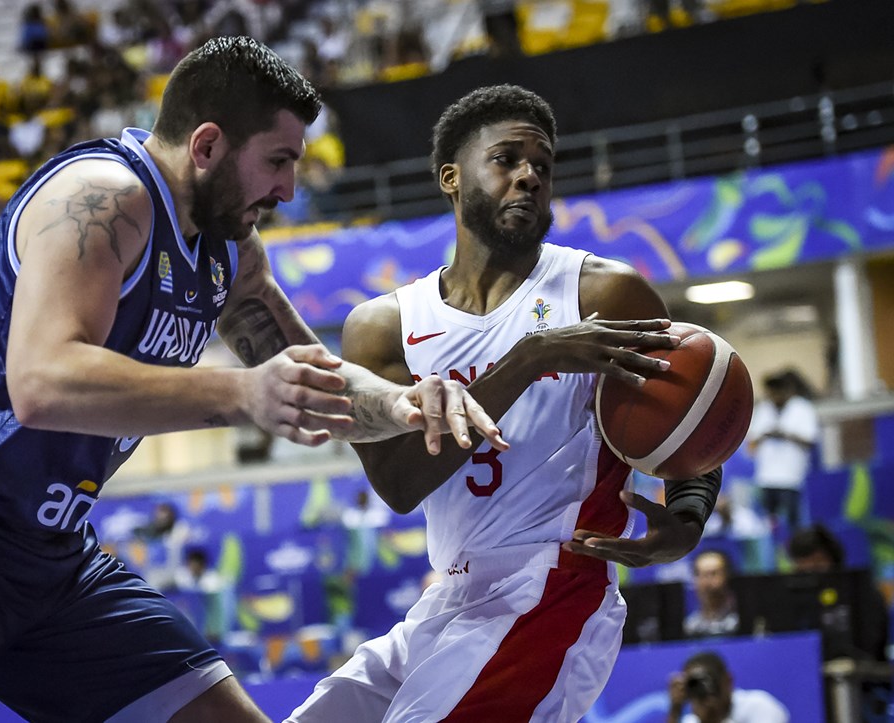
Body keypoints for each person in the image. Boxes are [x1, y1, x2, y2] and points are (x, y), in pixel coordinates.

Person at [0, 36, 507, 723]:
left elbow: (309, 376)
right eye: (278, 162)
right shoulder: (106, 199)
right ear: (208, 145)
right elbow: (40, 381)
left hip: (48, 557)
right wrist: (244, 393)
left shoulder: (228, 247)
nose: (288, 189)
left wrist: (406, 401)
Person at [286, 84, 723, 723]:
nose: (528, 177)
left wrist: (688, 518)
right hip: (451, 596)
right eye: (507, 159)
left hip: (557, 586)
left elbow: (697, 408)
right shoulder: (382, 326)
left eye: (541, 167)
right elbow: (400, 484)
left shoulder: (606, 291)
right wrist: (528, 359)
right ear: (452, 178)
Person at [787, 523, 889, 662]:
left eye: (818, 566)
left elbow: (871, 649)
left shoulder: (863, 594)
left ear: (834, 561)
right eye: (803, 570)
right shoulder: (788, 600)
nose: (812, 576)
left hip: (859, 676)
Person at [746, 368, 820, 530]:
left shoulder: (802, 408)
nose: (774, 396)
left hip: (791, 478)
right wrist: (766, 435)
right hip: (766, 477)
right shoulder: (764, 409)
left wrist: (786, 435)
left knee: (794, 524)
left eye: (777, 392)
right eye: (771, 392)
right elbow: (752, 443)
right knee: (770, 525)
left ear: (787, 390)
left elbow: (810, 440)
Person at [667, 651, 789, 723]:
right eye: (695, 683)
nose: (703, 687)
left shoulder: (760, 706)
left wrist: (715, 719)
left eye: (708, 679)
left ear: (728, 681)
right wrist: (675, 710)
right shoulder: (692, 720)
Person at [683, 549, 739, 638]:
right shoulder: (689, 626)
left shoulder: (740, 622)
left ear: (727, 576)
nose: (707, 581)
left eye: (713, 574)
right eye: (702, 574)